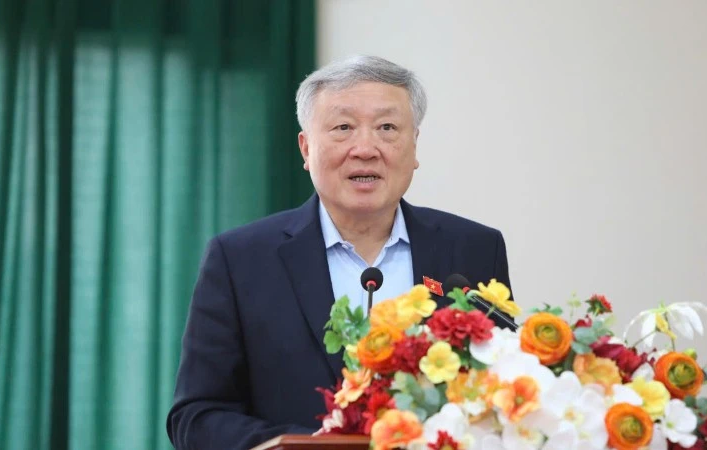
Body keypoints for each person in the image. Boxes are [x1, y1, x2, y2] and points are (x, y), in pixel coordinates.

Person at [166, 55, 514, 449]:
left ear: (414, 146)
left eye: (387, 128)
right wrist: (308, 445)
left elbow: (504, 391)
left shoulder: (473, 250)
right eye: (343, 128)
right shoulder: (240, 260)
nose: (365, 148)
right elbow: (195, 417)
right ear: (306, 148)